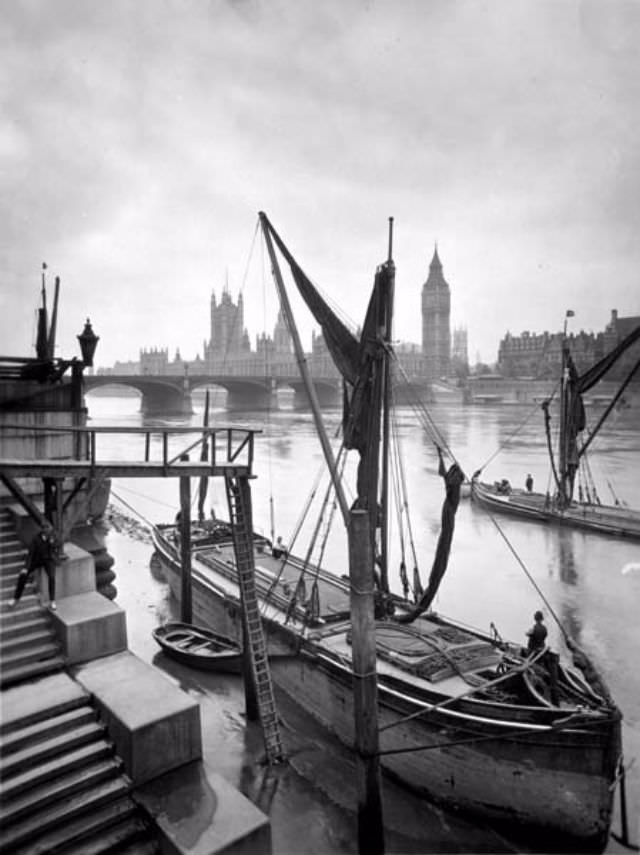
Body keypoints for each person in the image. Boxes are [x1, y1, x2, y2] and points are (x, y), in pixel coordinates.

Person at [10, 523, 58, 610]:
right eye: (46, 529)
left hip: (48, 560)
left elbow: (57, 546)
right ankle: (16, 598)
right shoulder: (36, 539)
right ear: (43, 530)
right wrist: (26, 567)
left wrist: (52, 543)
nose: (48, 531)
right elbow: (30, 554)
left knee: (52, 577)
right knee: (23, 575)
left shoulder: (52, 537)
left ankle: (52, 601)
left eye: (49, 529)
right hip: (37, 560)